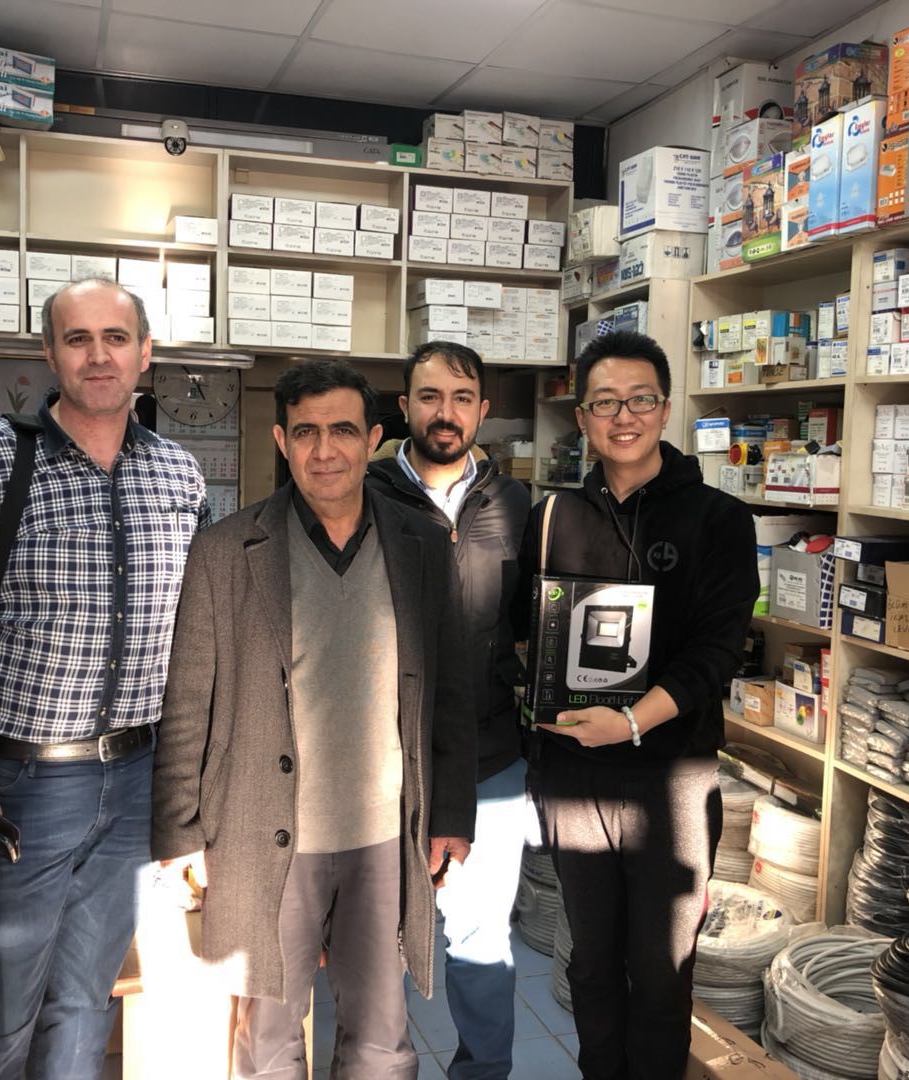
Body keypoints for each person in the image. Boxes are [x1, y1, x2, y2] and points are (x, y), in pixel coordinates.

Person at [153, 359, 477, 1080]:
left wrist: (453, 813)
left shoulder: (422, 545)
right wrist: (179, 834)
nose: (324, 450)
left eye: (342, 431)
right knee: (267, 1038)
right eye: (305, 433)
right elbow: (188, 702)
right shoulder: (225, 551)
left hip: (384, 837)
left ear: (373, 440)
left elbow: (452, 691)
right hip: (263, 835)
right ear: (282, 440)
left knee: (381, 1038)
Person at [0, 277, 208, 1079]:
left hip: (137, 777)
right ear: (49, 355)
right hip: (21, 786)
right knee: (1, 1011)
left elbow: (198, 638)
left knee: (89, 999)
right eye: (77, 339)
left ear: (145, 354)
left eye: (115, 338)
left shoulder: (179, 475)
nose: (98, 356)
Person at [514, 330, 758, 1079]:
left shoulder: (718, 519)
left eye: (640, 400)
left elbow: (717, 652)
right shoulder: (552, 518)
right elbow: (527, 630)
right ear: (581, 417)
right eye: (605, 403)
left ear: (666, 407)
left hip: (671, 779)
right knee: (591, 963)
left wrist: (628, 721)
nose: (624, 417)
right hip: (573, 774)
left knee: (661, 971)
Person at [367, 341, 530, 1080]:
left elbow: (535, 621)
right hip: (381, 758)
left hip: (490, 756)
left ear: (483, 411)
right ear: (405, 406)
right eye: (430, 396)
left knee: (481, 942)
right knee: (376, 939)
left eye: (462, 398)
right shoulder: (363, 495)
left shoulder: (515, 505)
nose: (446, 412)